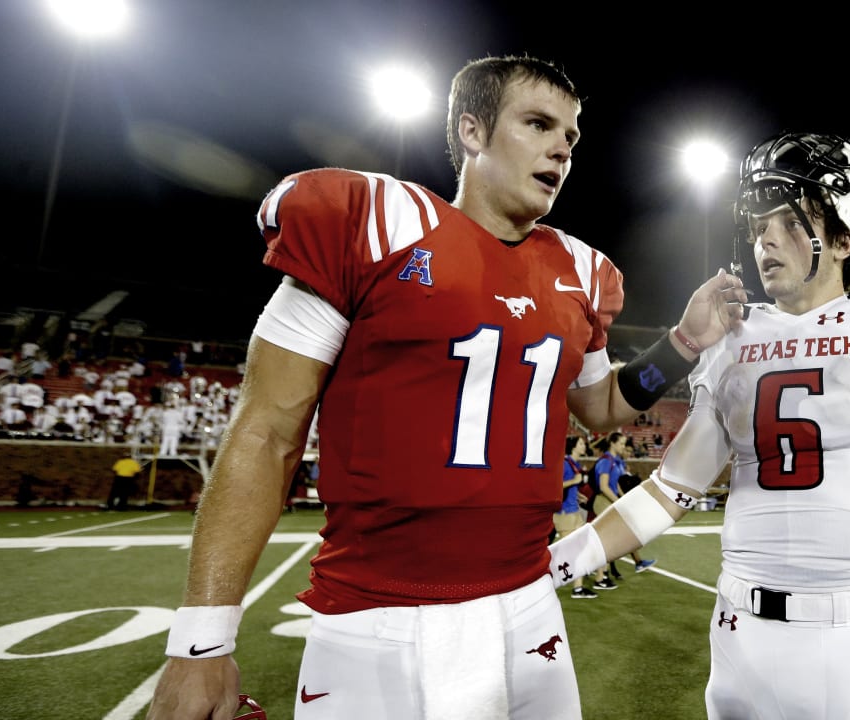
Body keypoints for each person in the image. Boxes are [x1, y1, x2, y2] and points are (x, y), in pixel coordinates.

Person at [146, 54, 746, 720]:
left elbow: (599, 407)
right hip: (382, 614)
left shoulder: (581, 270)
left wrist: (685, 344)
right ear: (472, 131)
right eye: (539, 124)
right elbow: (265, 432)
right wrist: (200, 644)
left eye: (570, 138)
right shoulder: (375, 223)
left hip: (529, 604)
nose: (560, 149)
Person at [551, 132, 850, 719]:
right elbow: (669, 491)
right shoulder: (732, 336)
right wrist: (552, 567)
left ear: (844, 236)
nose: (764, 237)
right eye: (758, 223)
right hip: (740, 636)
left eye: (788, 220)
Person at [590, 431, 656, 576]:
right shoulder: (606, 461)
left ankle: (605, 571)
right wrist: (618, 501)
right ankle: (601, 573)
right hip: (603, 502)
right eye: (621, 443)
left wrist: (623, 496)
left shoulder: (614, 461)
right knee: (608, 539)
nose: (623, 446)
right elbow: (604, 486)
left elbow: (614, 484)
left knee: (620, 535)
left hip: (610, 501)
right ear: (612, 443)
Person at [554, 435, 613, 598]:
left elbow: (570, 485)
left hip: (574, 512)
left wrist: (578, 495)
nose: (583, 445)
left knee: (584, 548)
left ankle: (580, 587)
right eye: (581, 443)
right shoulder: (565, 463)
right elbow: (555, 486)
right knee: (574, 551)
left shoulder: (573, 463)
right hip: (564, 514)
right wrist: (574, 481)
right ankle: (574, 586)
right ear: (573, 446)